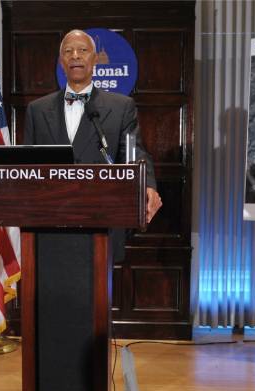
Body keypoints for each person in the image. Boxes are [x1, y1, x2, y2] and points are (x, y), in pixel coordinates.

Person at [24, 29, 162, 255]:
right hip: (50, 228)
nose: (75, 56)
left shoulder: (121, 107)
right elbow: (27, 166)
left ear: (95, 59)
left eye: (83, 50)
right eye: (68, 51)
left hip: (102, 224)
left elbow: (134, 151)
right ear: (61, 62)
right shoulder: (37, 110)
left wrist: (147, 185)